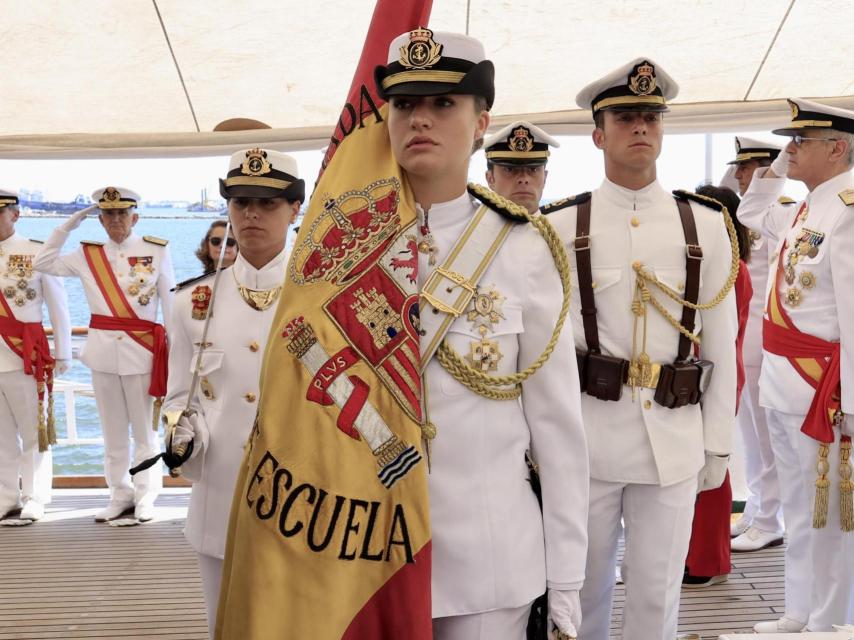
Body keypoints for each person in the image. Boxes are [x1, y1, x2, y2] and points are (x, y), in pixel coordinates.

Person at [375, 30, 588, 640]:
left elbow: (557, 426)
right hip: (366, 555)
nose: (420, 118)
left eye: (444, 103)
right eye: (404, 104)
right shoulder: (349, 248)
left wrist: (566, 577)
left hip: (489, 561)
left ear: (480, 123)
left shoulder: (524, 248)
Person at [543, 58, 737, 640]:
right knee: (581, 593)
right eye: (625, 117)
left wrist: (717, 444)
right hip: (587, 439)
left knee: (657, 595)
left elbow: (721, 340)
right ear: (598, 134)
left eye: (651, 117)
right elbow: (546, 350)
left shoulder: (704, 224)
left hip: (672, 438)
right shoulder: (560, 227)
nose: (640, 127)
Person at [163, 148, 302, 636]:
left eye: (267, 202)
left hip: (304, 497)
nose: (251, 214)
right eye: (241, 202)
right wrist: (180, 434)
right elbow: (179, 397)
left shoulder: (322, 297)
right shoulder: (191, 303)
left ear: (295, 209)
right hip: (221, 497)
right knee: (226, 627)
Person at [738, 98, 854, 633]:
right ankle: (799, 610)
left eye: (801, 141)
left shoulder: (847, 210)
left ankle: (830, 621)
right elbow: (749, 212)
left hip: (821, 389)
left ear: (837, 148)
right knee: (800, 507)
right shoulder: (805, 207)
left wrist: (852, 401)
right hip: (783, 382)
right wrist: (778, 169)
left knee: (828, 512)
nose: (791, 149)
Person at [33, 186, 175, 524]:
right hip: (103, 355)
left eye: (122, 213)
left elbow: (170, 304)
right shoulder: (87, 254)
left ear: (134, 218)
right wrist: (68, 225)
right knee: (113, 435)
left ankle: (146, 495)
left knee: (145, 434)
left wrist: (174, 352)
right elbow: (43, 262)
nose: (115, 220)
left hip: (141, 353)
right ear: (100, 220)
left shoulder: (155, 250)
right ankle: (119, 495)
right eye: (108, 214)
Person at [683, 185, 753, 587]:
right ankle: (697, 554)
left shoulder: (730, 267)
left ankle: (709, 560)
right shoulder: (720, 262)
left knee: (714, 465)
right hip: (703, 371)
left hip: (716, 373)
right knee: (698, 465)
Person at [727, 137, 792, 553]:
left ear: (767, 169)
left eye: (745, 167)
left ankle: (770, 519)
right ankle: (755, 509)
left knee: (768, 438)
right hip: (745, 339)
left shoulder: (782, 212)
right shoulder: (748, 212)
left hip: (767, 340)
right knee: (751, 437)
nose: (737, 175)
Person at [0, 189, 71, 524]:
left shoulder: (37, 252)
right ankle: (6, 498)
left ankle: (35, 497)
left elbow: (59, 306)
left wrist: (63, 352)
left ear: (15, 215)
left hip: (24, 355)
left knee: (33, 433)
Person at [483, 121, 559, 214]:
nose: (524, 179)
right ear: (490, 179)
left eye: (533, 169)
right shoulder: (471, 223)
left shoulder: (566, 222)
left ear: (545, 178)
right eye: (509, 169)